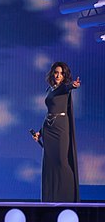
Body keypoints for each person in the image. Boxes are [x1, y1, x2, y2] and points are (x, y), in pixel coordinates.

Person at [32, 62, 81, 202]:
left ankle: (69, 197)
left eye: (61, 73)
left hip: (61, 128)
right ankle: (51, 198)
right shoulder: (50, 89)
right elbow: (49, 112)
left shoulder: (64, 88)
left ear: (64, 75)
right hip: (48, 129)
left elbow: (67, 87)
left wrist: (74, 85)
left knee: (62, 161)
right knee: (50, 164)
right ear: (52, 73)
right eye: (56, 72)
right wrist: (39, 133)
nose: (58, 75)